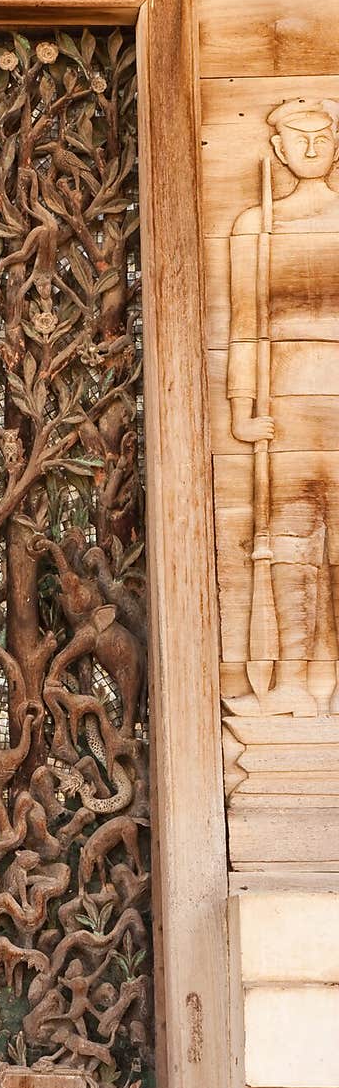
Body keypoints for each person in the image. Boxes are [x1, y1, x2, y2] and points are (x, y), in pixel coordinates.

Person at [229, 99, 339, 716]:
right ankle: (292, 681)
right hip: (287, 405)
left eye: (322, 135)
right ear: (278, 150)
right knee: (293, 547)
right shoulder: (256, 227)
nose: (312, 145)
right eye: (299, 137)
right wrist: (243, 409)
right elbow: (244, 329)